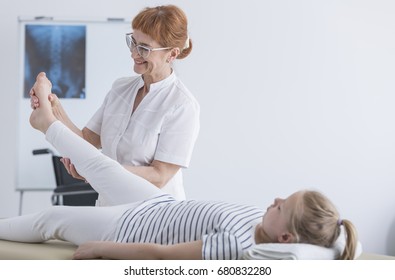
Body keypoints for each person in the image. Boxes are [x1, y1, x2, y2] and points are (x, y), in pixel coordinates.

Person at [5, 74, 358, 260]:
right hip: (159, 205)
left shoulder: (239, 244)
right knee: (99, 164)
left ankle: (44, 123)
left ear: (285, 238)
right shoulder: (262, 222)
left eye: (283, 206)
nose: (275, 199)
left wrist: (102, 249)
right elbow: (336, 244)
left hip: (131, 229)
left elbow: (163, 254)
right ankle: (47, 119)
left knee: (50, 219)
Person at [30, 5, 200, 204]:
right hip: (109, 207)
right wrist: (54, 106)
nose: (134, 53)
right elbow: (87, 140)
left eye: (144, 49)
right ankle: (47, 120)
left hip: (154, 214)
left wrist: (96, 169)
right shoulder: (120, 89)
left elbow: (159, 176)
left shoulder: (182, 105)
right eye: (133, 42)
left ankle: (47, 123)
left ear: (171, 54)